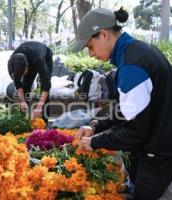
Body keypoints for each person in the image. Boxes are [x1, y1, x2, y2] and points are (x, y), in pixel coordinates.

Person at [73, 7, 172, 200]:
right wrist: (95, 125)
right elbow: (124, 109)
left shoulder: (133, 66)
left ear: (104, 34)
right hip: (154, 142)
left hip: (159, 150)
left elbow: (135, 132)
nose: (90, 54)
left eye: (90, 46)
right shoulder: (133, 53)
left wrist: (95, 142)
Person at [7, 41, 53, 122]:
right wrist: (22, 100)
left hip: (45, 56)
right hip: (27, 59)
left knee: (44, 87)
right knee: (25, 87)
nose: (23, 75)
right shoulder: (14, 61)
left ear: (27, 66)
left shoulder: (38, 59)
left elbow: (46, 84)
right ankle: (24, 120)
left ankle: (44, 121)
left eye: (23, 73)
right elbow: (17, 82)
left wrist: (39, 107)